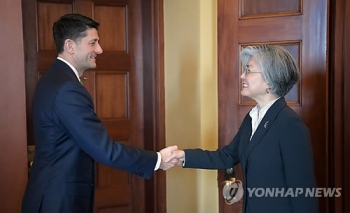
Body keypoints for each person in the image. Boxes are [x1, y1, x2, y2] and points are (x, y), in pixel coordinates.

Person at [21, 13, 177, 213]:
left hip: (52, 194)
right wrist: (157, 160)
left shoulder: (54, 78)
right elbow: (104, 150)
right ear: (70, 46)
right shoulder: (66, 88)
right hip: (58, 200)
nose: (100, 50)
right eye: (93, 43)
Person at [169, 45, 318, 213]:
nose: (242, 75)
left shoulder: (289, 125)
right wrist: (183, 156)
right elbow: (226, 157)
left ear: (270, 80)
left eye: (249, 70)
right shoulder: (252, 118)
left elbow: (303, 193)